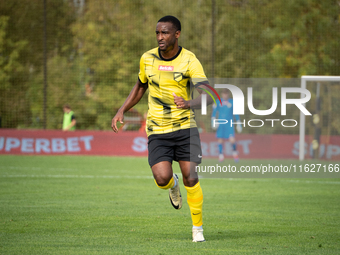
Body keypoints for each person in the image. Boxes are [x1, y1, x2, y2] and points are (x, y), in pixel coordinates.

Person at [112, 16, 211, 242]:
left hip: (185, 128)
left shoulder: (190, 60)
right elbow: (140, 86)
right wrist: (122, 110)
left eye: (165, 33)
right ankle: (172, 184)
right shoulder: (147, 58)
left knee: (191, 177)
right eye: (157, 33)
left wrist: (189, 103)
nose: (160, 37)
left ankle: (197, 229)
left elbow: (209, 96)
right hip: (157, 129)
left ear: (177, 34)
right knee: (161, 178)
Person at [211, 89, 242, 162]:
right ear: (222, 94)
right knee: (220, 140)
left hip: (229, 124)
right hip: (221, 124)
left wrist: (238, 123)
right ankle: (221, 156)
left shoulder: (232, 102)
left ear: (228, 94)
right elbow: (214, 112)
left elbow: (236, 113)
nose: (225, 95)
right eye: (224, 93)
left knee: (232, 140)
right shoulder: (218, 102)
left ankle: (235, 153)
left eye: (226, 94)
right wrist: (213, 120)